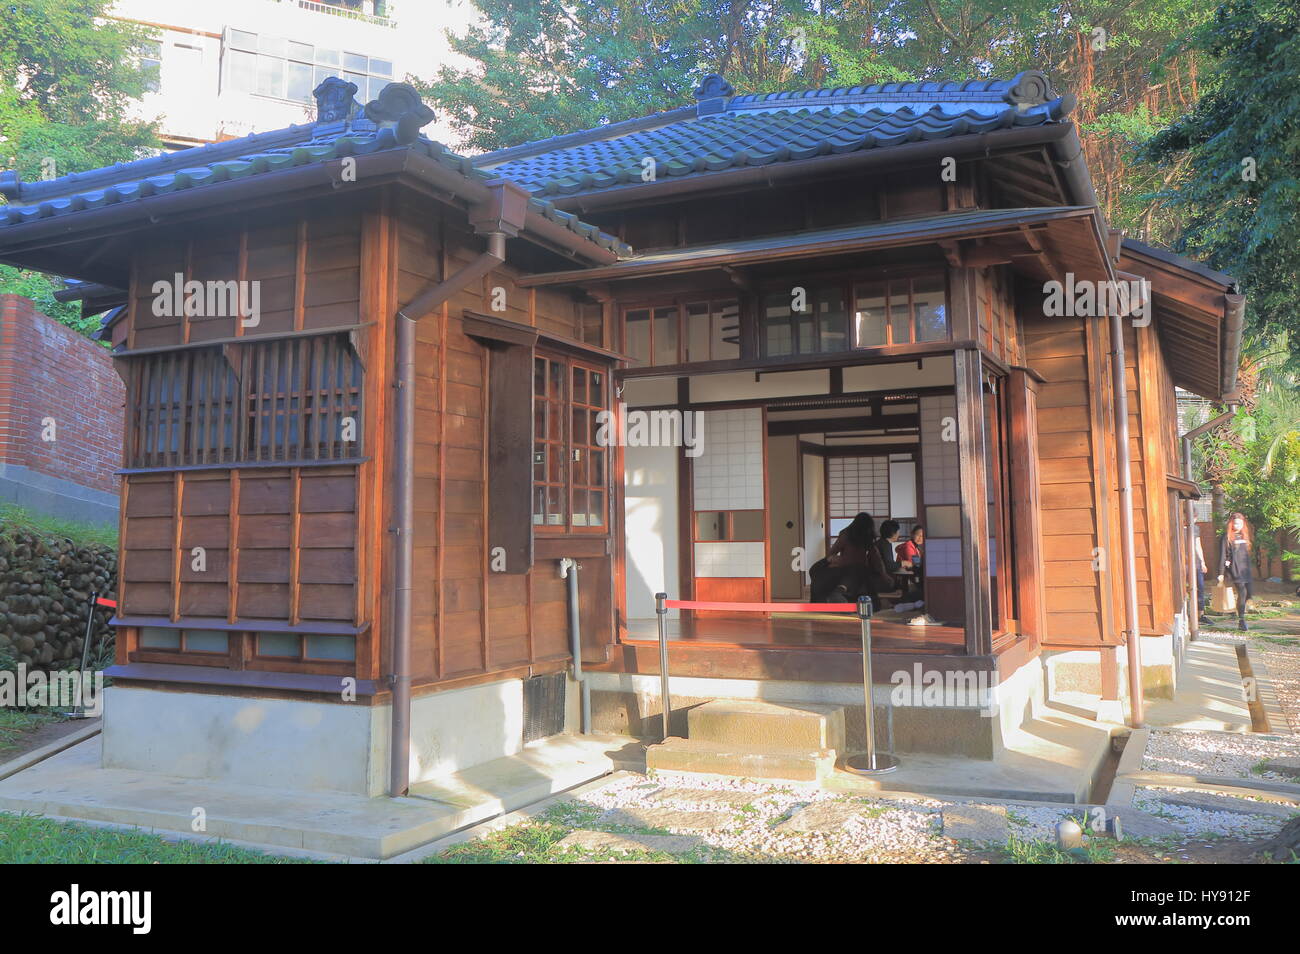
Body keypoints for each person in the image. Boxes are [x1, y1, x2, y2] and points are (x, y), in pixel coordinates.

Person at [810, 512, 875, 603]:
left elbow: (832, 552)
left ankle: (838, 592)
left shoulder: (846, 534)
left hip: (844, 567)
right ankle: (839, 591)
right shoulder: (867, 536)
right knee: (856, 573)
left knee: (816, 569)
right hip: (857, 568)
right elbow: (875, 557)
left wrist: (832, 560)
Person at [1217, 511, 1254, 631]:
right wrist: (1221, 573)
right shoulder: (1226, 537)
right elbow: (1222, 556)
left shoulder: (1245, 536)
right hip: (1234, 568)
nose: (1238, 526)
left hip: (1246, 570)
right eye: (1235, 523)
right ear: (1231, 524)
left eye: (1240, 523)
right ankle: (1241, 620)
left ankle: (1239, 610)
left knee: (1249, 593)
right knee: (1242, 592)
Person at [896, 525, 925, 605]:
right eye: (918, 535)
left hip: (911, 574)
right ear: (912, 534)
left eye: (922, 536)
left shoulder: (917, 547)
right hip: (906, 576)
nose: (920, 538)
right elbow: (915, 563)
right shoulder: (909, 546)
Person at [1192, 530, 1207, 619]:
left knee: (1200, 588)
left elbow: (1198, 546)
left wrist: (1202, 562)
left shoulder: (1196, 529)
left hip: (1196, 563)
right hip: (1182, 563)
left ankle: (1200, 615)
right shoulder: (1176, 526)